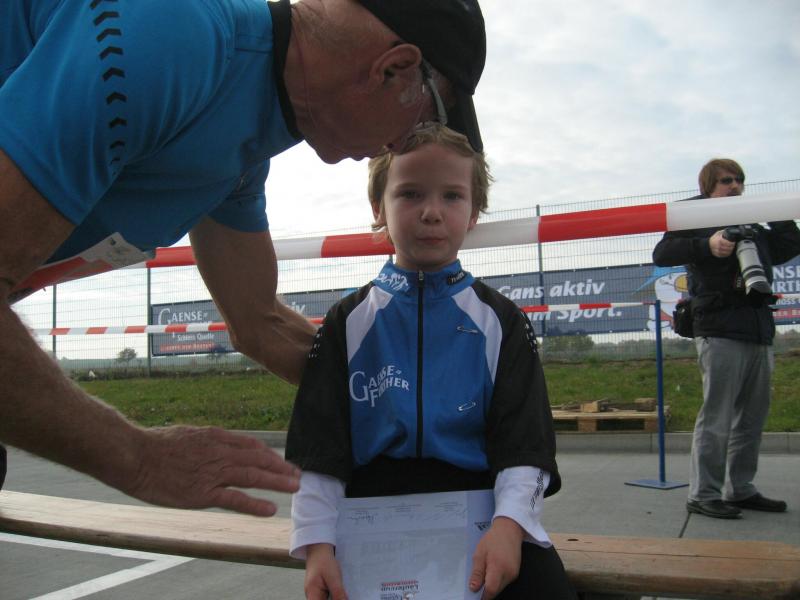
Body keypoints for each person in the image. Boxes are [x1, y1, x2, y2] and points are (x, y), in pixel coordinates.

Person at [0, 0, 487, 513]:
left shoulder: (242, 154)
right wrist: (138, 458)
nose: (402, 146)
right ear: (394, 68)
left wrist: (419, 398)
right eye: (427, 121)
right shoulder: (167, 37)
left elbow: (259, 323)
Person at [285, 125, 576, 600]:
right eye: (410, 193)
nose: (431, 212)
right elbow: (319, 448)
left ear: (474, 212)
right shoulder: (347, 321)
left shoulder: (502, 321)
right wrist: (318, 545)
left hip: (482, 506)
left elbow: (526, 446)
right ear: (378, 207)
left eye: (452, 196)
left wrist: (509, 526)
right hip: (371, 510)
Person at [652, 158, 800, 519]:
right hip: (719, 328)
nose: (735, 185)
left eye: (739, 180)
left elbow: (791, 243)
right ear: (707, 187)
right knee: (717, 416)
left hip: (758, 328)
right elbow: (662, 253)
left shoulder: (753, 224)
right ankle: (703, 493)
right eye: (726, 180)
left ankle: (740, 489)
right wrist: (708, 244)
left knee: (752, 418)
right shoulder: (694, 216)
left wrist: (774, 210)